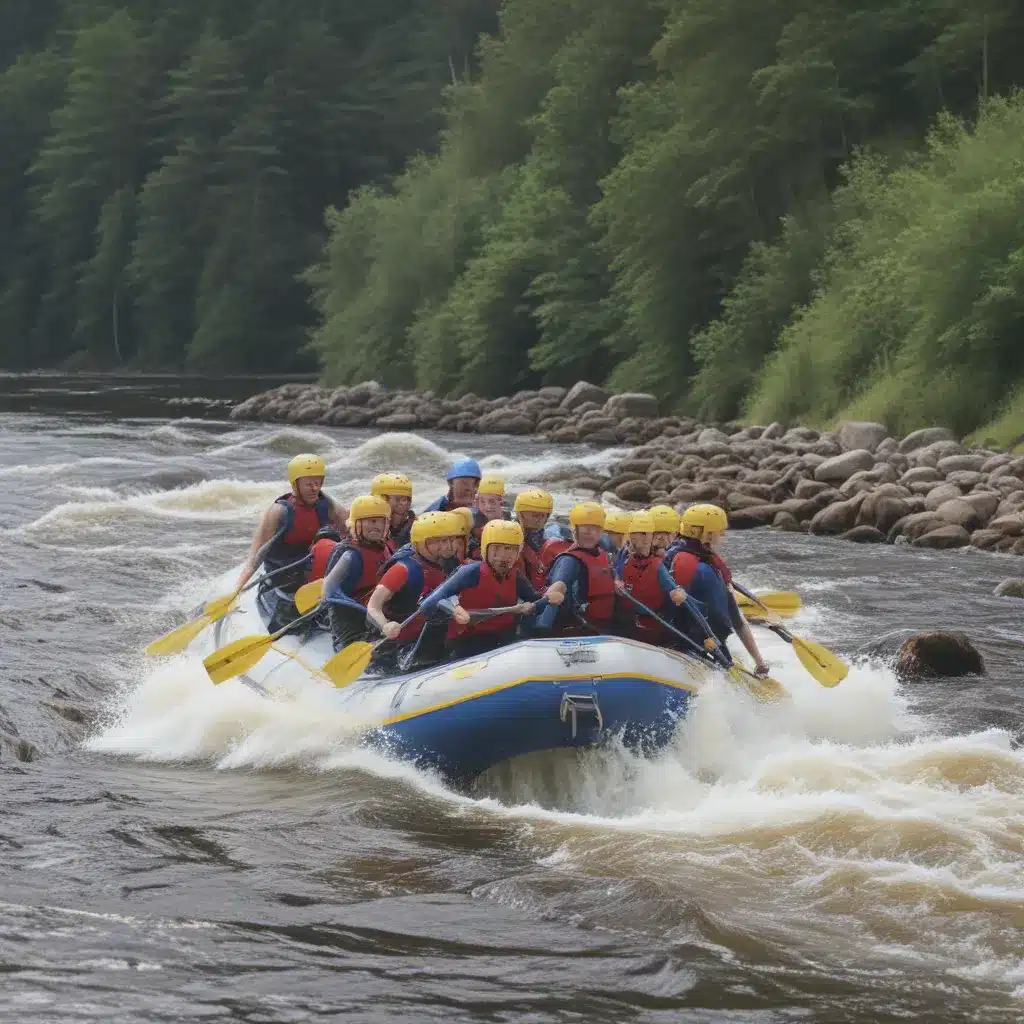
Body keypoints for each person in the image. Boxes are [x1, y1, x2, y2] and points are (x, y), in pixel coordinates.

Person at [664, 504, 770, 677]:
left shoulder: (670, 554)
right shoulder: (707, 571)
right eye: (720, 532)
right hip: (703, 649)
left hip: (671, 641)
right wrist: (760, 663)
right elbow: (732, 619)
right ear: (708, 534)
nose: (723, 536)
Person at [418, 520, 545, 661]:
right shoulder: (471, 572)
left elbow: (535, 602)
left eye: (510, 550)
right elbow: (427, 605)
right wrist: (454, 608)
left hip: (503, 637)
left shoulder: (516, 575)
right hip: (468, 640)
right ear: (485, 550)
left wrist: (549, 595)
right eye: (496, 549)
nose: (503, 557)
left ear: (518, 552)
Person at [236, 453, 348, 595]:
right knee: (323, 548)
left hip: (311, 566)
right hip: (284, 573)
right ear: (295, 484)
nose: (314, 488)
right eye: (308, 484)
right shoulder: (279, 511)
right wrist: (238, 589)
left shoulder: (327, 503)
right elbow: (255, 558)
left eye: (318, 483)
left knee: (330, 545)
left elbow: (349, 530)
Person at [365, 510, 462, 668]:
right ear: (420, 543)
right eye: (439, 541)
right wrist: (385, 625)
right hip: (395, 642)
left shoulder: (450, 563)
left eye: (452, 539)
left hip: (425, 634)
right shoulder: (403, 569)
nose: (448, 546)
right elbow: (373, 605)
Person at [323, 495, 391, 651]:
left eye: (382, 521)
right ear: (356, 523)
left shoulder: (384, 549)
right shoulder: (349, 555)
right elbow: (328, 591)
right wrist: (362, 607)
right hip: (349, 616)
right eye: (371, 521)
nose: (377, 526)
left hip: (375, 609)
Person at [534, 502, 615, 635]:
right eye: (584, 528)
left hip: (602, 626)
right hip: (577, 629)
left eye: (594, 528)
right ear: (574, 530)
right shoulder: (569, 561)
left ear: (601, 531)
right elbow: (559, 584)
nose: (589, 533)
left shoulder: (603, 555)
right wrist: (554, 591)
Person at [613, 510, 686, 645]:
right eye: (658, 533)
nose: (661, 538)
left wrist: (678, 592)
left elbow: (672, 586)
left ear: (675, 535)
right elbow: (617, 570)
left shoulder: (673, 556)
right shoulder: (626, 554)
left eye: (667, 534)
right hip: (630, 617)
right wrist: (617, 581)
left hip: (659, 616)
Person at [513, 488, 554, 590]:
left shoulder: (550, 538)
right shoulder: (507, 534)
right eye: (534, 515)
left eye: (543, 515)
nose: (539, 519)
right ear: (520, 514)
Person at [371, 472, 415, 551]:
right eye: (398, 499)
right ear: (381, 500)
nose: (403, 503)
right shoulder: (365, 527)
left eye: (406, 499)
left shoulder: (414, 526)